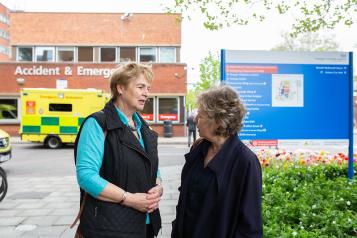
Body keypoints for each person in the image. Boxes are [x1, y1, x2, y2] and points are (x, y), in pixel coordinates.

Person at [75, 62, 162, 238]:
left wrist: (159, 186)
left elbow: (152, 166)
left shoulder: (144, 127)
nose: (146, 93)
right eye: (140, 87)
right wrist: (129, 199)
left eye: (148, 88)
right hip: (110, 228)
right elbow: (86, 176)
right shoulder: (97, 124)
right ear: (120, 88)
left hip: (145, 225)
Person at [171, 85, 263, 238]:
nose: (195, 119)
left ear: (219, 121)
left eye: (200, 116)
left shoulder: (245, 162)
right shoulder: (198, 148)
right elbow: (185, 201)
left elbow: (250, 226)